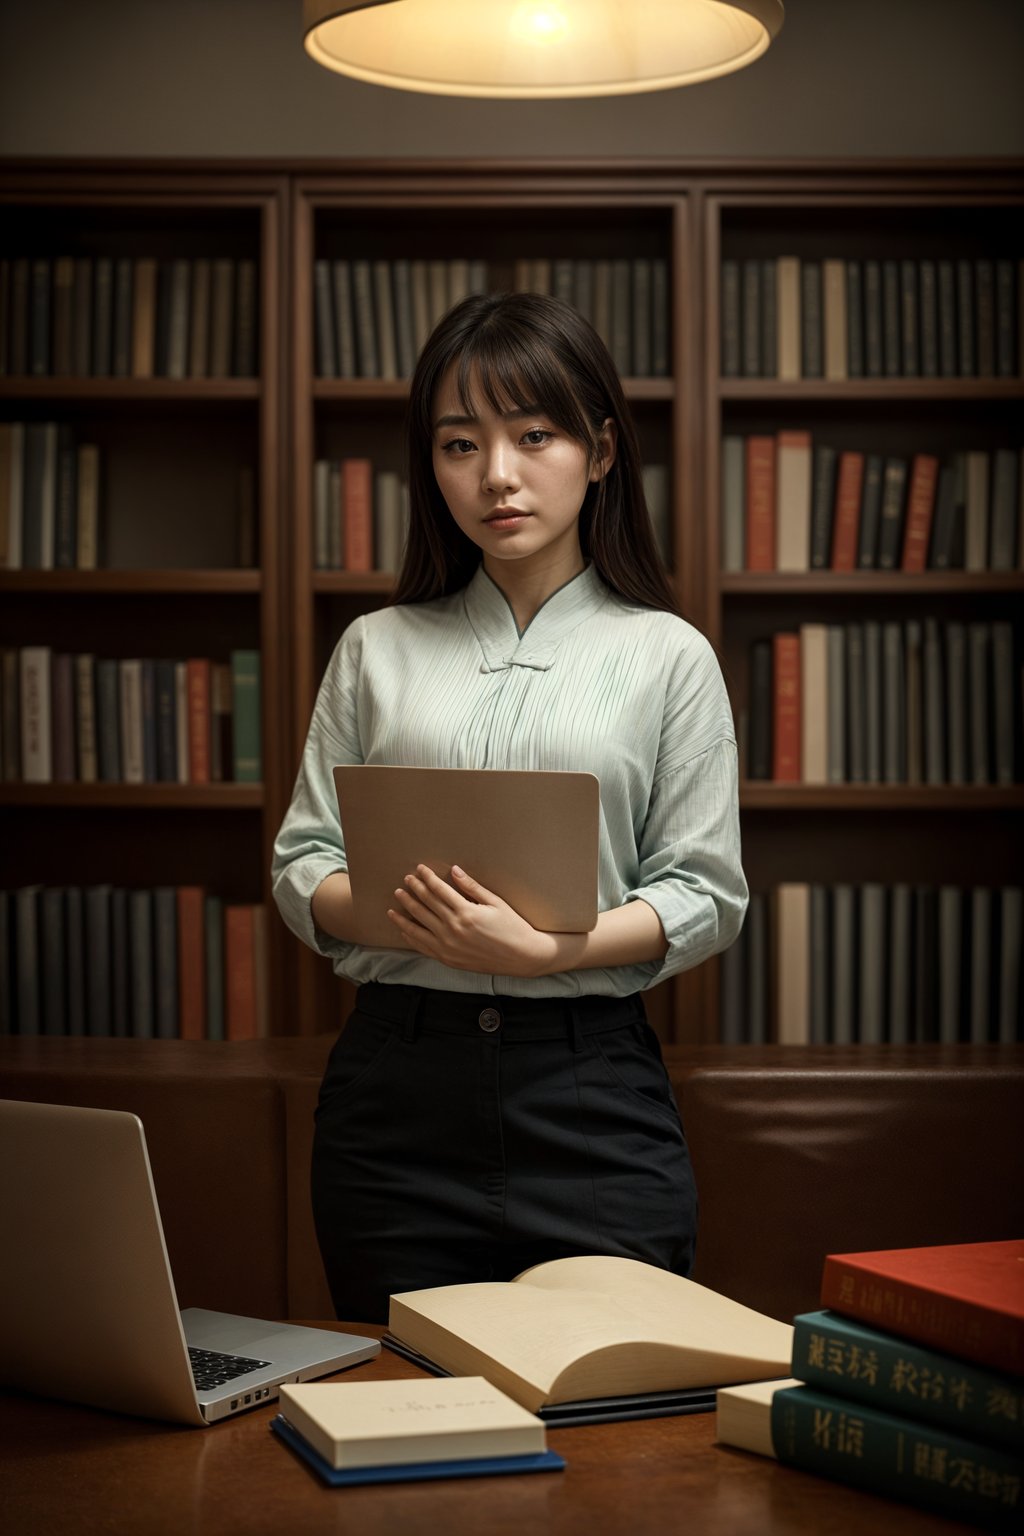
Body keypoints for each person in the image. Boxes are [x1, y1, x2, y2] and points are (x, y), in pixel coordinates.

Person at [272, 291, 747, 1323]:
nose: (496, 474)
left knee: (622, 1443)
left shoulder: (667, 656)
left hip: (589, 1093)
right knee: (407, 1432)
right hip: (393, 1098)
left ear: (601, 449)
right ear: (430, 465)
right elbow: (302, 863)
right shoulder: (375, 648)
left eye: (534, 435)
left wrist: (547, 952)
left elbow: (705, 892)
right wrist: (411, 919)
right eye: (459, 443)